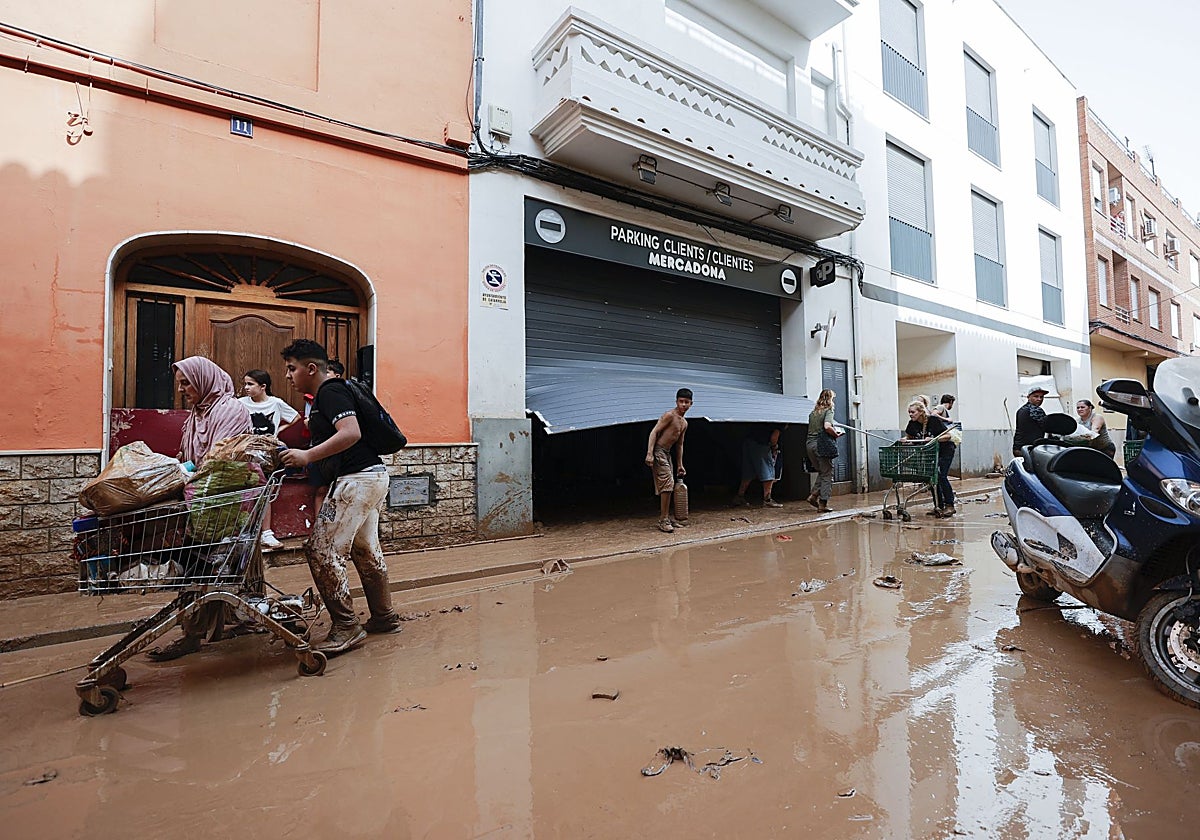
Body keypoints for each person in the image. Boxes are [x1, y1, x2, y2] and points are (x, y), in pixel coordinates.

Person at [278, 339, 401, 655]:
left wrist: (307, 456)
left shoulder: (329, 392)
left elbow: (350, 433)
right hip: (370, 476)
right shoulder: (330, 394)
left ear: (311, 368)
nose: (288, 375)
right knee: (364, 549)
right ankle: (384, 616)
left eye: (292, 368)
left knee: (321, 550)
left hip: (356, 480)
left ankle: (347, 627)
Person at [147, 356, 252, 661]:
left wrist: (190, 473)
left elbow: (222, 459)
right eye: (179, 383)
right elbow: (190, 455)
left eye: (186, 383)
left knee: (211, 568)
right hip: (203, 502)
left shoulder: (230, 410)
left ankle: (196, 633)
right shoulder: (197, 414)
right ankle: (206, 628)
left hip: (226, 504)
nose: (181, 389)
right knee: (210, 568)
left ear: (204, 380)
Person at [239, 369, 301, 549]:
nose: (246, 388)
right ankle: (247, 532)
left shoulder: (276, 403)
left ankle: (266, 532)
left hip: (268, 454)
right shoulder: (240, 403)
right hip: (247, 452)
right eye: (245, 384)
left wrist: (280, 430)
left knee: (266, 490)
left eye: (250, 384)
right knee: (246, 490)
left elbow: (296, 417)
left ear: (263, 386)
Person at [645, 388, 692, 533]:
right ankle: (663, 520)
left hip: (667, 453)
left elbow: (680, 444)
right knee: (668, 484)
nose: (683, 404)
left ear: (691, 404)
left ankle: (666, 517)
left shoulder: (684, 423)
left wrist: (680, 464)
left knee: (669, 486)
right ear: (676, 401)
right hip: (659, 451)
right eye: (681, 401)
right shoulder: (669, 415)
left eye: (686, 402)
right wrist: (650, 453)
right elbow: (654, 432)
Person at [903, 399, 957, 517]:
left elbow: (948, 436)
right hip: (930, 453)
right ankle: (938, 505)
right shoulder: (912, 424)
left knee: (941, 475)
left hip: (945, 451)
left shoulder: (933, 421)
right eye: (909, 412)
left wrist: (934, 439)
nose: (910, 414)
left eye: (913, 412)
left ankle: (950, 505)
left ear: (921, 412)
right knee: (931, 477)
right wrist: (905, 440)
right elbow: (909, 437)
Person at [806, 389, 842, 512]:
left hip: (809, 444)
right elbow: (827, 426)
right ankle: (823, 504)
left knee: (822, 472)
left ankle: (813, 495)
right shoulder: (828, 410)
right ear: (830, 399)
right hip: (821, 445)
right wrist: (835, 434)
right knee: (827, 474)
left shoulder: (813, 413)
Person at [733, 425, 784, 507]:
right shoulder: (781, 422)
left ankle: (739, 496)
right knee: (768, 469)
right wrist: (774, 447)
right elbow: (774, 437)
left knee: (749, 470)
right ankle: (767, 499)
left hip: (749, 441)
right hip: (762, 443)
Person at [1013, 385, 1049, 457]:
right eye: (1036, 396)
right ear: (1028, 397)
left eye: (1041, 397)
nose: (1039, 399)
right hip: (1030, 449)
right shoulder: (1035, 410)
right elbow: (1048, 426)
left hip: (1018, 448)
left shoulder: (1021, 409)